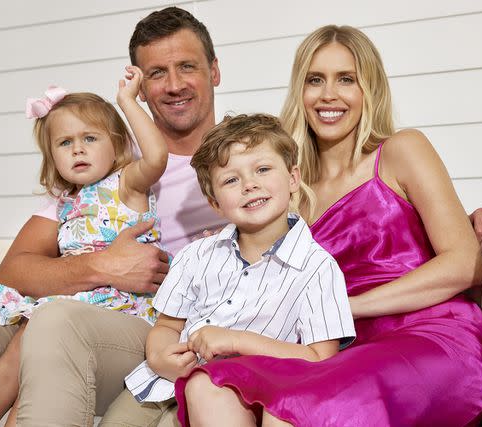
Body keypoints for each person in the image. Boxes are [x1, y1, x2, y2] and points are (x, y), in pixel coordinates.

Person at [0, 7, 482, 427]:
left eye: (188, 67)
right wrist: (102, 264)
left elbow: (371, 220)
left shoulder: (253, 160)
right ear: (138, 85)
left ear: (215, 72)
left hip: (152, 322)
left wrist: (466, 215)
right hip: (84, 302)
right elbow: (16, 266)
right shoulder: (107, 163)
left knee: (60, 329)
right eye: (157, 72)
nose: (174, 84)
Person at [172, 25, 482, 426]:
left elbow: (466, 264)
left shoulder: (400, 151)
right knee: (211, 384)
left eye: (346, 79)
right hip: (336, 348)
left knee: (294, 409)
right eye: (315, 80)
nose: (328, 95)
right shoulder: (286, 188)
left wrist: (343, 309)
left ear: (368, 89)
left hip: (428, 338)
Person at [0, 65, 167, 426]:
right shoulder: (64, 204)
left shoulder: (128, 185)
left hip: (119, 309)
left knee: (40, 338)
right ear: (53, 158)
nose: (78, 149)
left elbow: (156, 157)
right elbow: (18, 270)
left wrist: (127, 101)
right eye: (65, 143)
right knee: (25, 350)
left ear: (118, 145)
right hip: (73, 298)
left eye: (90, 138)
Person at [124, 114, 355, 424]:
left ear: (293, 178)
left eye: (262, 169)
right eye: (231, 180)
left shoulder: (316, 268)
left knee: (202, 396)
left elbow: (319, 358)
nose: (249, 185)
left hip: (233, 397)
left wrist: (235, 341)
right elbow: (167, 325)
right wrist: (160, 356)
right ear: (215, 202)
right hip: (162, 385)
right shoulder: (196, 256)